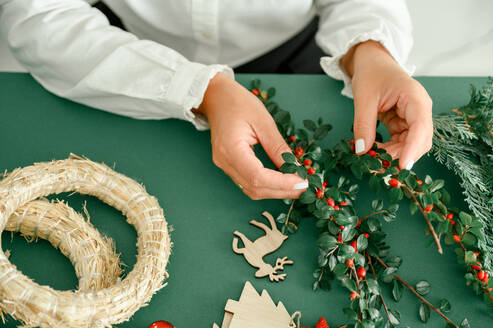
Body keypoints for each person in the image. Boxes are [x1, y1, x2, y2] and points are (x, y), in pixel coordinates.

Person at [0, 0, 433, 200]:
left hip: (298, 54)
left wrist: (372, 49)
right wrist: (199, 89)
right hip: (125, 59)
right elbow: (38, 15)